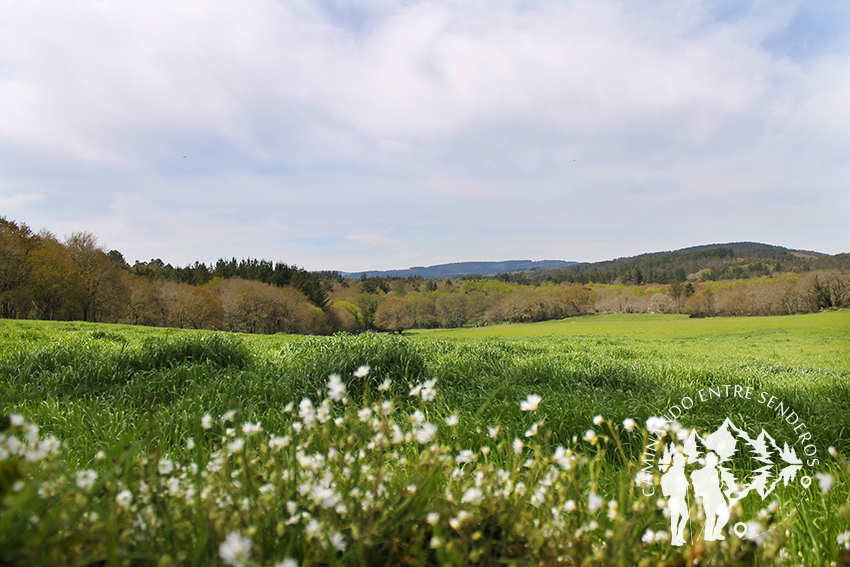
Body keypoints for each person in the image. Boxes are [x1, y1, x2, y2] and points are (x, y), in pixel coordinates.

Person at [690, 452, 731, 541]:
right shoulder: (703, 473)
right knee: (710, 515)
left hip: (714, 495)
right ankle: (708, 534)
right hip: (708, 496)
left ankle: (716, 533)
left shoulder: (713, 472)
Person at [660, 452, 689, 545]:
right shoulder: (672, 472)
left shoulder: (680, 471)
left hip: (681, 498)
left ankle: (678, 537)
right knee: (675, 518)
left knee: (684, 516)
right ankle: (674, 539)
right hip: (675, 498)